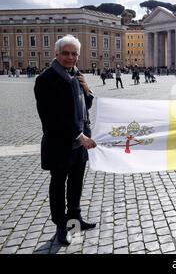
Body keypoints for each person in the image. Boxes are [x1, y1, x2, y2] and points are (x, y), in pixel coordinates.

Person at [34, 35, 97, 246]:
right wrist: (79, 136)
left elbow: (85, 107)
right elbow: (51, 118)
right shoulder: (45, 80)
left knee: (77, 183)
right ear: (56, 54)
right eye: (66, 53)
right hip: (60, 144)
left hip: (79, 146)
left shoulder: (77, 76)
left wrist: (86, 88)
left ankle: (75, 218)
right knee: (58, 185)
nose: (70, 57)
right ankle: (61, 226)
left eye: (74, 54)